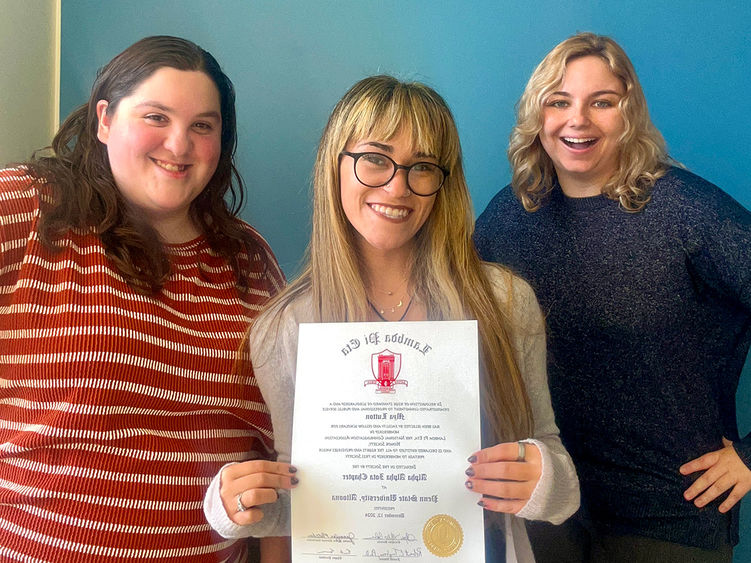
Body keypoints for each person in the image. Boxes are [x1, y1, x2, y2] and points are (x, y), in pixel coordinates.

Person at [202, 75, 579, 562]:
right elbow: (306, 499)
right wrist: (232, 503)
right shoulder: (285, 328)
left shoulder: (504, 302)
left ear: (443, 184)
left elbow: (561, 482)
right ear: (334, 166)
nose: (398, 186)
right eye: (375, 159)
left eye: (422, 167)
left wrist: (541, 478)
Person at [0, 36, 286, 562]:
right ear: (105, 120)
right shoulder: (28, 207)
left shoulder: (248, 259)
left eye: (202, 125)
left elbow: (279, 456)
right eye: (156, 116)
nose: (179, 145)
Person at [474, 32, 751, 563]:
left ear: (629, 113)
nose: (577, 120)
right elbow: (456, 326)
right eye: (559, 101)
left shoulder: (685, 208)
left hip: (668, 514)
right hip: (548, 506)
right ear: (538, 115)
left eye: (602, 102)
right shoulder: (510, 215)